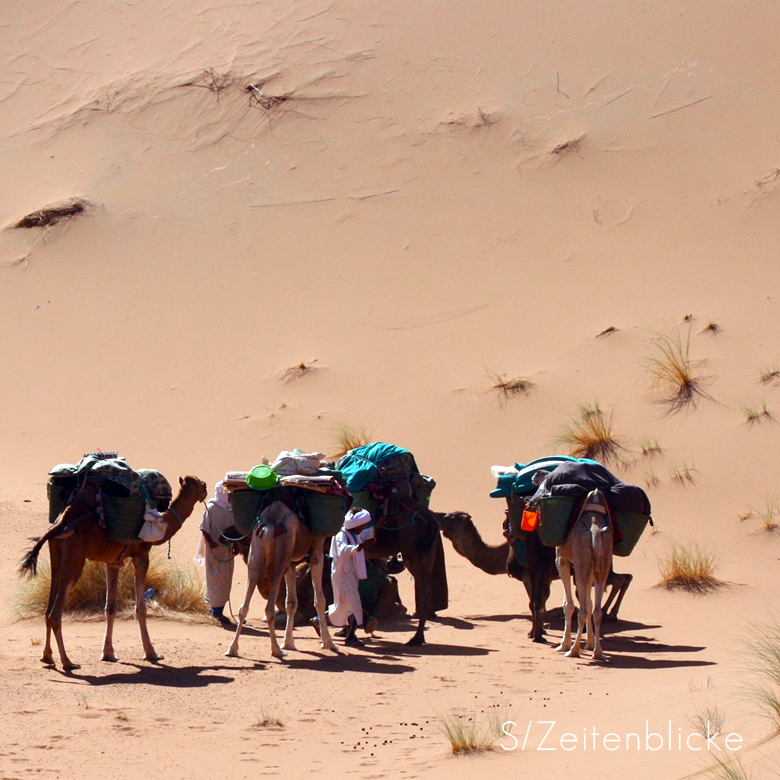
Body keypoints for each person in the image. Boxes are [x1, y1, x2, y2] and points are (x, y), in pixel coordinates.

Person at [315, 507, 376, 646]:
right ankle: (350, 637)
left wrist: (376, 528)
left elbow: (364, 535)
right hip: (342, 576)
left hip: (350, 576)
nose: (363, 527)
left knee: (342, 607)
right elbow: (342, 550)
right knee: (355, 606)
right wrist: (361, 547)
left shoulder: (354, 535)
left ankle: (318, 620)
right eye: (362, 524)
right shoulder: (340, 535)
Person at [195, 480, 236, 626]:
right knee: (215, 579)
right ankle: (215, 611)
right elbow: (204, 528)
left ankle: (219, 610)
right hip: (214, 551)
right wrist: (210, 542)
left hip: (227, 551)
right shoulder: (211, 507)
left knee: (226, 580)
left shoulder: (230, 508)